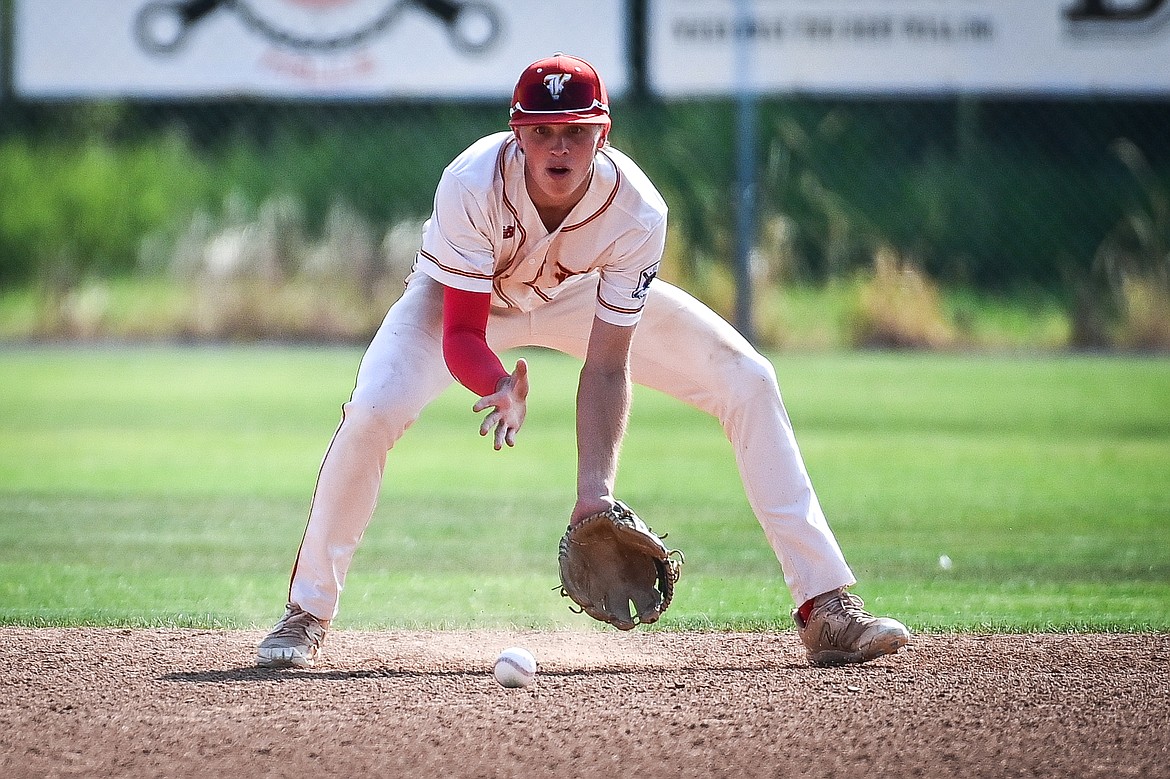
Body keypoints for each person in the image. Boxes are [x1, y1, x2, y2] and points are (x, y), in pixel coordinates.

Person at [256, 53, 910, 669]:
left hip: (578, 291)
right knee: (372, 408)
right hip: (463, 298)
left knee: (747, 379)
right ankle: (306, 612)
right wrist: (496, 383)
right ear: (517, 135)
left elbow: (605, 366)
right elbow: (461, 331)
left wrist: (593, 493)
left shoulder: (637, 211)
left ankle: (825, 607)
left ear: (604, 133)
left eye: (576, 129)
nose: (559, 146)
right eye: (542, 131)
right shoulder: (472, 182)